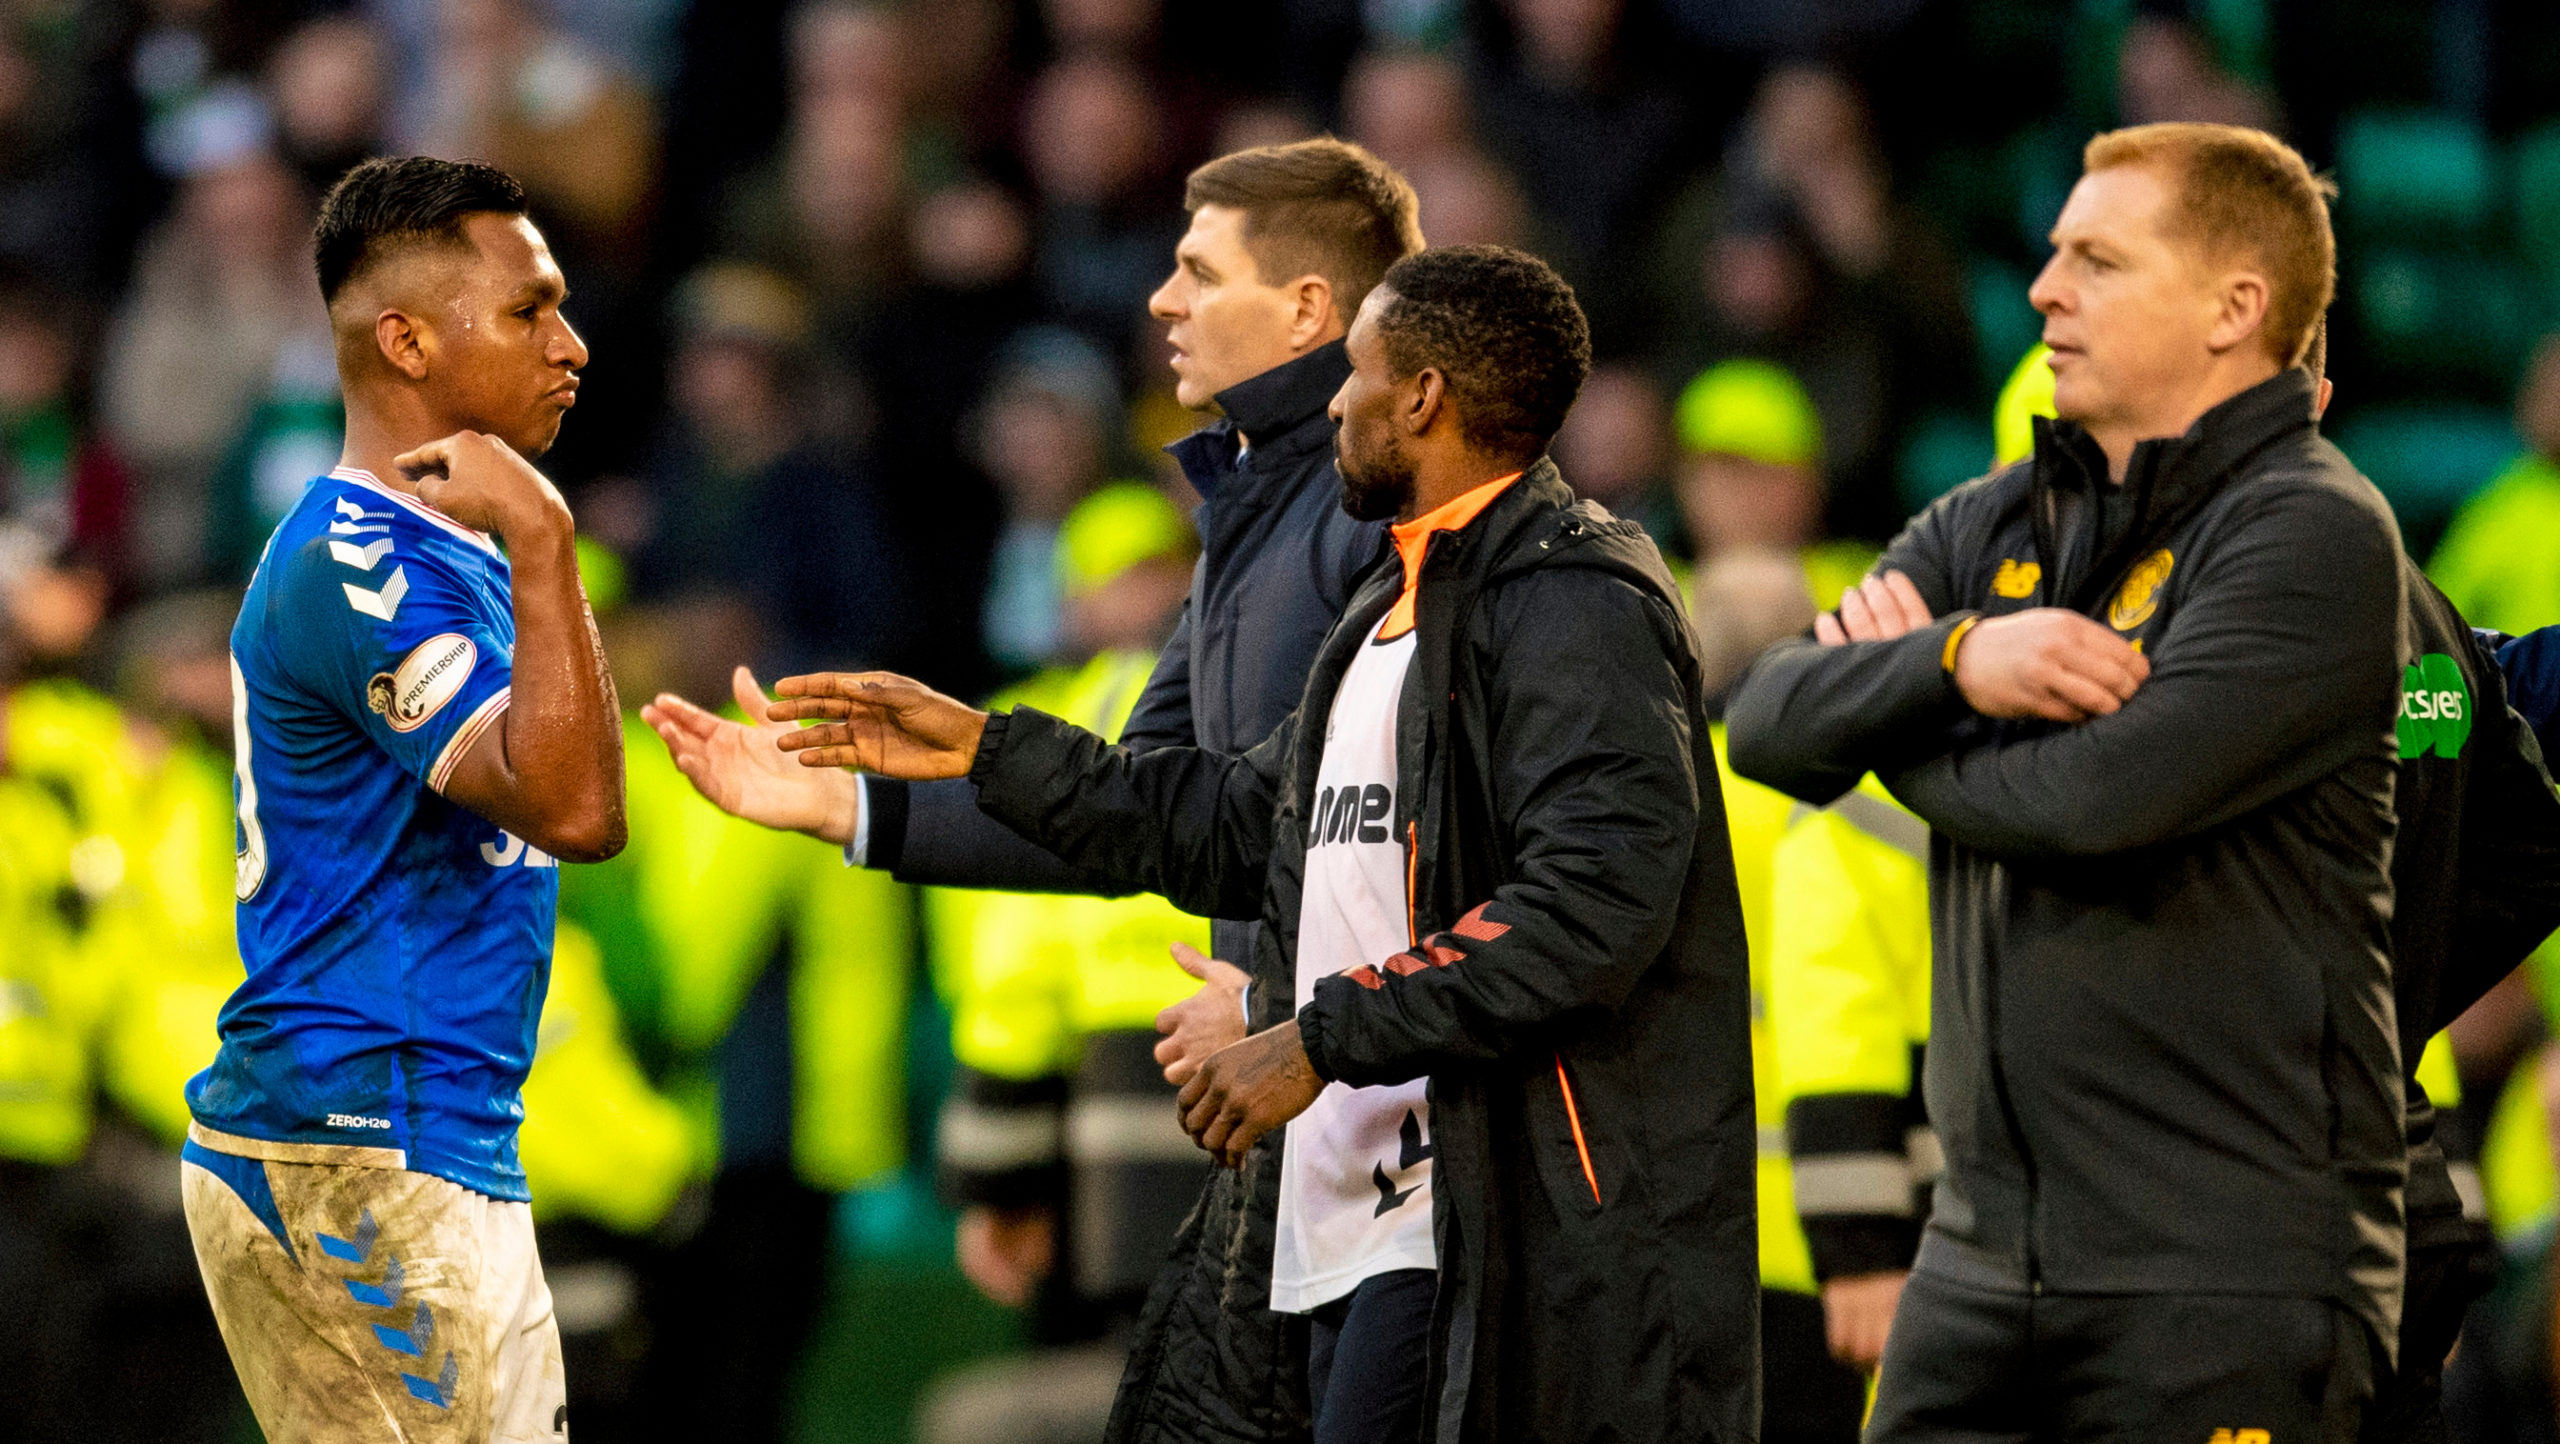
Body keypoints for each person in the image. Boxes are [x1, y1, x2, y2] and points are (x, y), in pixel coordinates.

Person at [756, 245, 1759, 1444]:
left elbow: (1591, 901)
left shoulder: (1573, 603)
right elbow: (1232, 823)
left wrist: (1313, 1038)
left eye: (1355, 372)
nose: (1335, 399)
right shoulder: (1386, 616)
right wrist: (984, 749)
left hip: (1495, 1226)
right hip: (1330, 1221)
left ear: (1423, 398)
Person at [644, 136, 1422, 1438]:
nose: (1162, 302)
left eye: (1196, 271)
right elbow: (1136, 816)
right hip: (1282, 1126)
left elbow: (1370, 826)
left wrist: (1293, 1007)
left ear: (1304, 309)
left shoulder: (1381, 522)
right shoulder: (1249, 525)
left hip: (1383, 1136)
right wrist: (858, 808)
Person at [1728, 121, 2404, 1439]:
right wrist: (1971, 657)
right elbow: (1766, 718)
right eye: (2052, 256)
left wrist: (1903, 707)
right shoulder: (1998, 519)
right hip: (1979, 1262)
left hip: (2218, 1278)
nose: (2045, 290)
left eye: (2096, 259)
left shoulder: (2311, 531)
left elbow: (2093, 806)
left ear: (2234, 308)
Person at [180, 156, 624, 1444]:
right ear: (407, 341)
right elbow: (577, 810)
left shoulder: (444, 552)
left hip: (407, 1132)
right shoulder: (359, 562)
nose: (572, 344)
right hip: (360, 1141)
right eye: (530, 310)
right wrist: (546, 543)